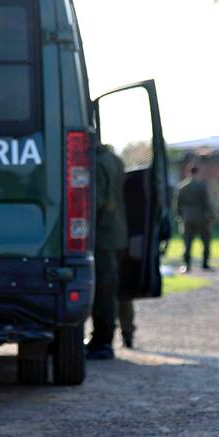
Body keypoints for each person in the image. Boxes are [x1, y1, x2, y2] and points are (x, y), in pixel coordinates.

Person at [87, 143, 128, 360]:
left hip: (102, 235)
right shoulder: (115, 160)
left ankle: (102, 341)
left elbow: (96, 201)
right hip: (116, 233)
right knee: (109, 289)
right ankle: (110, 336)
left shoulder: (96, 163)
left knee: (103, 290)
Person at [176, 164, 213, 272]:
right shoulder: (201, 186)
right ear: (197, 173)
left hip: (187, 216)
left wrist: (180, 216)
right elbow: (206, 202)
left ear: (189, 172)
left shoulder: (182, 186)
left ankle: (187, 265)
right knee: (206, 240)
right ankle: (205, 264)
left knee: (187, 242)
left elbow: (178, 204)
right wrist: (211, 215)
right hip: (201, 216)